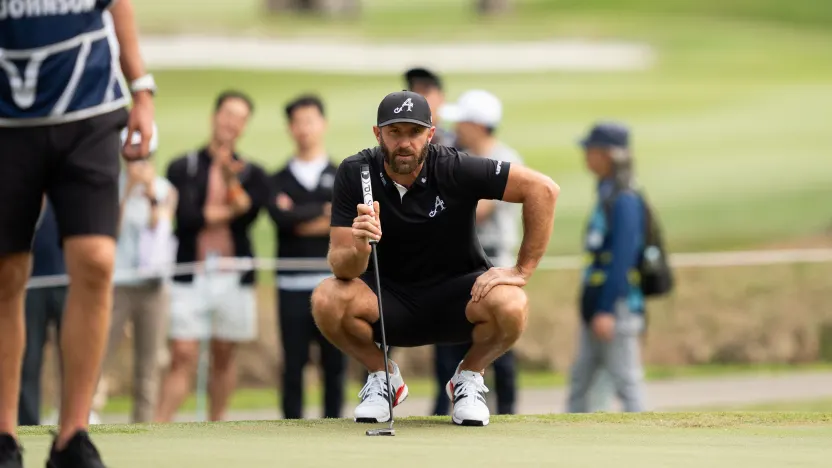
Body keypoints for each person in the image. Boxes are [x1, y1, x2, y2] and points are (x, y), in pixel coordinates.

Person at [311, 91, 559, 426]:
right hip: (387, 300)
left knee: (513, 303)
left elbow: (543, 190)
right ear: (377, 133)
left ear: (430, 133)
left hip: (458, 298)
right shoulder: (356, 173)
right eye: (394, 132)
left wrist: (521, 270)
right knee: (326, 298)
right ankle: (383, 377)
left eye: (414, 133)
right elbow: (342, 267)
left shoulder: (455, 166)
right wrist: (360, 246)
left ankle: (468, 377)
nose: (404, 143)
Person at [0, 1, 155, 466]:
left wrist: (141, 90)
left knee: (96, 261)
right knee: (6, 275)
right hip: (7, 119)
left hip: (88, 107)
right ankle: (4, 435)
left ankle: (72, 435)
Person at [155, 90, 269, 423]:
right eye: (228, 114)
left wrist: (231, 184)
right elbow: (188, 218)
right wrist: (232, 208)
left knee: (224, 353)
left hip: (233, 272)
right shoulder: (183, 166)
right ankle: (159, 425)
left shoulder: (252, 173)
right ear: (214, 116)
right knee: (183, 352)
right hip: (192, 271)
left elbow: (249, 214)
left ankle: (217, 423)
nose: (232, 123)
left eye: (240, 118)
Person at [430, 89, 522, 416]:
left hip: (495, 262)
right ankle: (445, 407)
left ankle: (507, 411)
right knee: (449, 340)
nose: (457, 128)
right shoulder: (459, 155)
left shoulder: (504, 161)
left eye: (463, 122)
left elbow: (478, 211)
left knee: (498, 340)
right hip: (456, 263)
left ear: (479, 125)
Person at [91, 123, 177, 424]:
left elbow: (160, 230)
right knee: (99, 354)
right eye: (132, 155)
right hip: (118, 283)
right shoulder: (110, 185)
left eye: (144, 154)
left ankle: (143, 425)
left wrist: (152, 195)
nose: (138, 161)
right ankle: (86, 416)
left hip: (153, 286)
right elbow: (107, 230)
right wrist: (127, 192)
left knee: (149, 364)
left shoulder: (165, 189)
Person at [267, 95, 346, 419]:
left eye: (310, 121)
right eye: (298, 122)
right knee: (293, 363)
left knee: (334, 362)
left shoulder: (342, 174)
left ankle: (334, 423)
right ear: (290, 128)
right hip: (291, 285)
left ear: (323, 124)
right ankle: (290, 427)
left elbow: (343, 223)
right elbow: (284, 223)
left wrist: (301, 214)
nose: (305, 129)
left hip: (333, 284)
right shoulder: (278, 179)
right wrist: (323, 211)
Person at [566, 122, 647, 413]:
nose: (586, 155)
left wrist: (607, 309)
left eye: (591, 149)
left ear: (607, 155)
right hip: (598, 303)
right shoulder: (607, 191)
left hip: (615, 306)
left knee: (627, 382)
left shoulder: (624, 197)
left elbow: (623, 259)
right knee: (581, 380)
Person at [18, 199, 67, 427]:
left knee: (73, 356)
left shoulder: (68, 187)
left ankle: (73, 423)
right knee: (29, 359)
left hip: (68, 282)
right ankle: (27, 424)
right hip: (32, 284)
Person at [405, 67, 456, 147]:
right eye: (414, 93)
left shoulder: (457, 143)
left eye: (425, 92)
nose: (419, 98)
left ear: (441, 97)